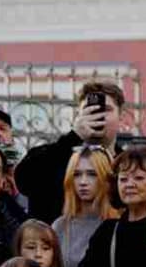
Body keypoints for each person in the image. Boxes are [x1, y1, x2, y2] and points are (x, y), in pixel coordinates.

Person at [16, 80, 121, 225]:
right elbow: (24, 180)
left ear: (120, 117)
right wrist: (73, 137)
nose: (97, 116)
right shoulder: (55, 154)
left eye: (106, 109)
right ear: (78, 115)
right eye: (89, 109)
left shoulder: (125, 163)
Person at [50, 144, 118, 267]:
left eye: (92, 174)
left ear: (106, 178)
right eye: (77, 174)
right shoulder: (60, 226)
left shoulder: (119, 225)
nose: (83, 182)